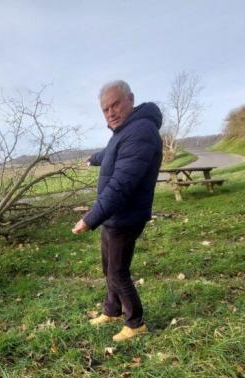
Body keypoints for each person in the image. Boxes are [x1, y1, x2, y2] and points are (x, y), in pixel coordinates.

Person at [72, 80, 163, 342]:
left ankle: (135, 323)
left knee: (118, 271)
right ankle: (112, 311)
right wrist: (94, 158)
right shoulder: (124, 131)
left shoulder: (141, 131)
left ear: (130, 100)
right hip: (114, 216)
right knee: (109, 267)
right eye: (105, 109)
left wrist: (90, 218)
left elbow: (121, 185)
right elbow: (112, 152)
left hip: (125, 215)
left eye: (116, 104)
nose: (110, 112)